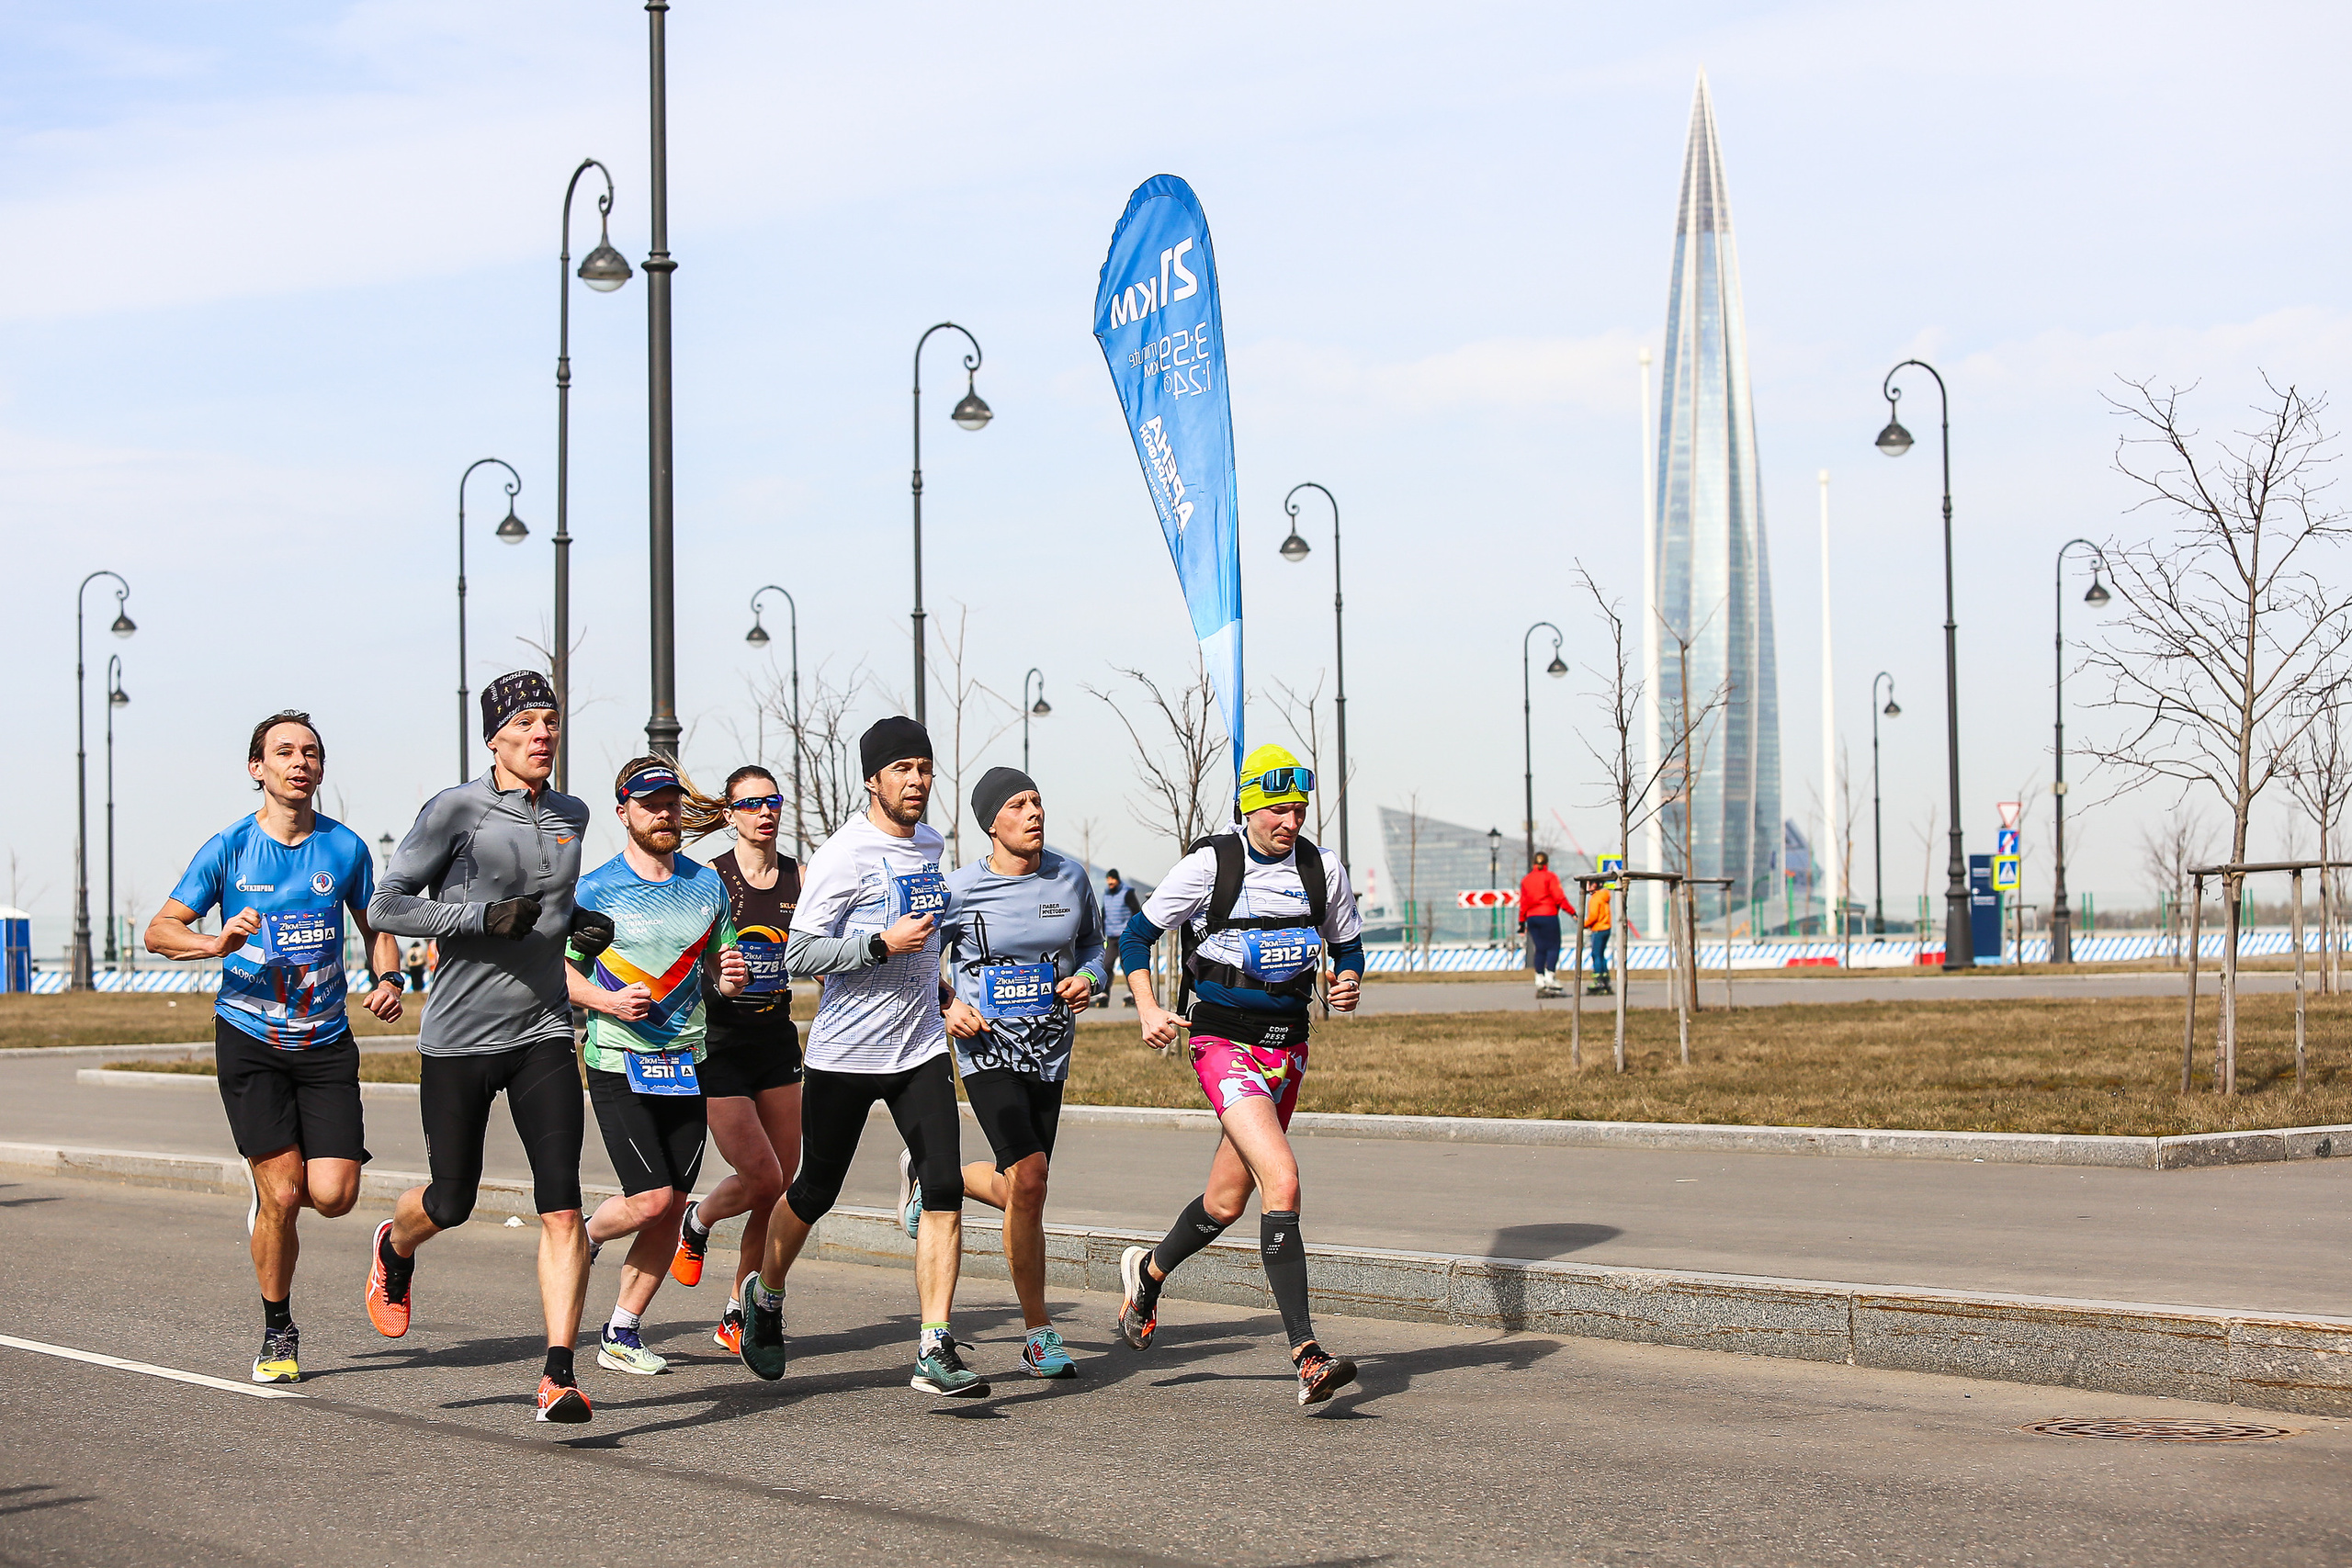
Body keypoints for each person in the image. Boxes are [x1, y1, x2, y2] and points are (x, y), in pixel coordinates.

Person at [363, 671, 598, 1424]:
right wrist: (479, 917)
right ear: (494, 735)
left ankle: (558, 1372)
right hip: (460, 1038)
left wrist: (580, 924)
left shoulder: (572, 813)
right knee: (451, 1199)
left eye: (551, 720)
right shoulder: (456, 808)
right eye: (526, 721)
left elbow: (549, 902)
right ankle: (395, 1249)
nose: (542, 733)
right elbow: (386, 904)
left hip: (543, 1030)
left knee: (563, 1203)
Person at [143, 710, 405, 1384]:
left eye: (311, 752)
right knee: (284, 1193)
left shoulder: (345, 849)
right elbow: (159, 929)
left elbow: (374, 924)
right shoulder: (229, 848)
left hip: (325, 1039)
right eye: (284, 751)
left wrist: (388, 975)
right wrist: (212, 942)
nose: (300, 761)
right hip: (250, 1036)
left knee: (336, 1193)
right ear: (257, 767)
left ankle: (324, 1220)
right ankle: (278, 1327)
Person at [736, 717, 984, 1398]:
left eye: (925, 767)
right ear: (872, 778)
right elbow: (798, 953)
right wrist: (878, 944)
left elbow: (929, 938)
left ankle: (934, 1346)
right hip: (846, 1050)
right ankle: (767, 1293)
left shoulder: (930, 844)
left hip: (920, 1046)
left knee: (944, 1187)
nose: (917, 780)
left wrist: (943, 991)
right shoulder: (844, 855)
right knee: (815, 1188)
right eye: (902, 768)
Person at [1114, 742, 1366, 1407]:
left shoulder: (1321, 868)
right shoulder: (1212, 864)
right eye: (1278, 807)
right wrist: (1145, 1005)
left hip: (1290, 1049)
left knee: (1226, 1201)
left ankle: (1148, 1272)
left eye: (1300, 808)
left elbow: (1347, 944)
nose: (1291, 819)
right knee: (1281, 1178)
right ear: (1249, 805)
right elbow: (1135, 936)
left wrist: (1348, 980)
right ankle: (1307, 1353)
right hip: (1223, 1044)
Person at [568, 759, 748, 1376]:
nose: (664, 813)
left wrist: (731, 976)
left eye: (670, 802)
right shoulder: (595, 890)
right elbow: (563, 972)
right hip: (619, 1059)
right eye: (649, 804)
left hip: (686, 1061)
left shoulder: (706, 885)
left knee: (672, 1206)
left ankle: (622, 1329)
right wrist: (610, 1000)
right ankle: (587, 1235)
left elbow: (723, 966)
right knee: (651, 1199)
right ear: (623, 812)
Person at [937, 766, 1105, 1379]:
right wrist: (948, 1003)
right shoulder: (957, 890)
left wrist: (1088, 979)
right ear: (991, 821)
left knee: (1024, 1194)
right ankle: (1038, 1331)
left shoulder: (1070, 876)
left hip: (1049, 1052)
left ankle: (937, 1179)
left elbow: (1093, 947)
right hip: (986, 1050)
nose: (1034, 811)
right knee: (1030, 1178)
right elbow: (918, 958)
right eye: (1018, 803)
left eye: (1037, 800)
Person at [666, 765, 803, 1357]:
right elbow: (677, 958)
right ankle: (696, 1222)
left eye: (772, 802)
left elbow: (821, 940)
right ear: (730, 813)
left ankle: (736, 1311)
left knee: (779, 1186)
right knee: (760, 1176)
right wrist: (715, 978)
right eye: (750, 805)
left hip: (776, 1041)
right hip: (718, 1045)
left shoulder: (801, 876)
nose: (764, 813)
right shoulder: (709, 879)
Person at [1518, 851, 1572, 998]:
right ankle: (1550, 976)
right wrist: (1572, 913)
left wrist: (1521, 922)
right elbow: (1559, 897)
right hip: (1548, 915)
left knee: (1540, 948)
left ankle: (1539, 978)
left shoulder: (1526, 880)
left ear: (1534, 864)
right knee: (1553, 946)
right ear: (1546, 863)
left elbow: (1523, 902)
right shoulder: (1550, 877)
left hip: (1532, 917)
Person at [1101, 869, 1139, 1007]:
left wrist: (1134, 932)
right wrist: (1101, 935)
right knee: (1106, 964)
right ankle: (1104, 993)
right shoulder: (1106, 895)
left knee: (1127, 965)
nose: (1110, 882)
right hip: (1111, 937)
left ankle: (1133, 993)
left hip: (1125, 936)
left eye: (1112, 879)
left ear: (1117, 880)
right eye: (1108, 880)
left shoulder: (1127, 893)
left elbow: (1136, 912)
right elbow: (1104, 915)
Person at [1583, 877, 1614, 996]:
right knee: (1601, 954)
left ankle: (1599, 980)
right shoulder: (1604, 895)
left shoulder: (1595, 897)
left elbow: (1593, 916)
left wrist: (1583, 924)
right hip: (1606, 927)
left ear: (1594, 885)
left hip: (1598, 929)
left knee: (1596, 954)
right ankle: (1605, 979)